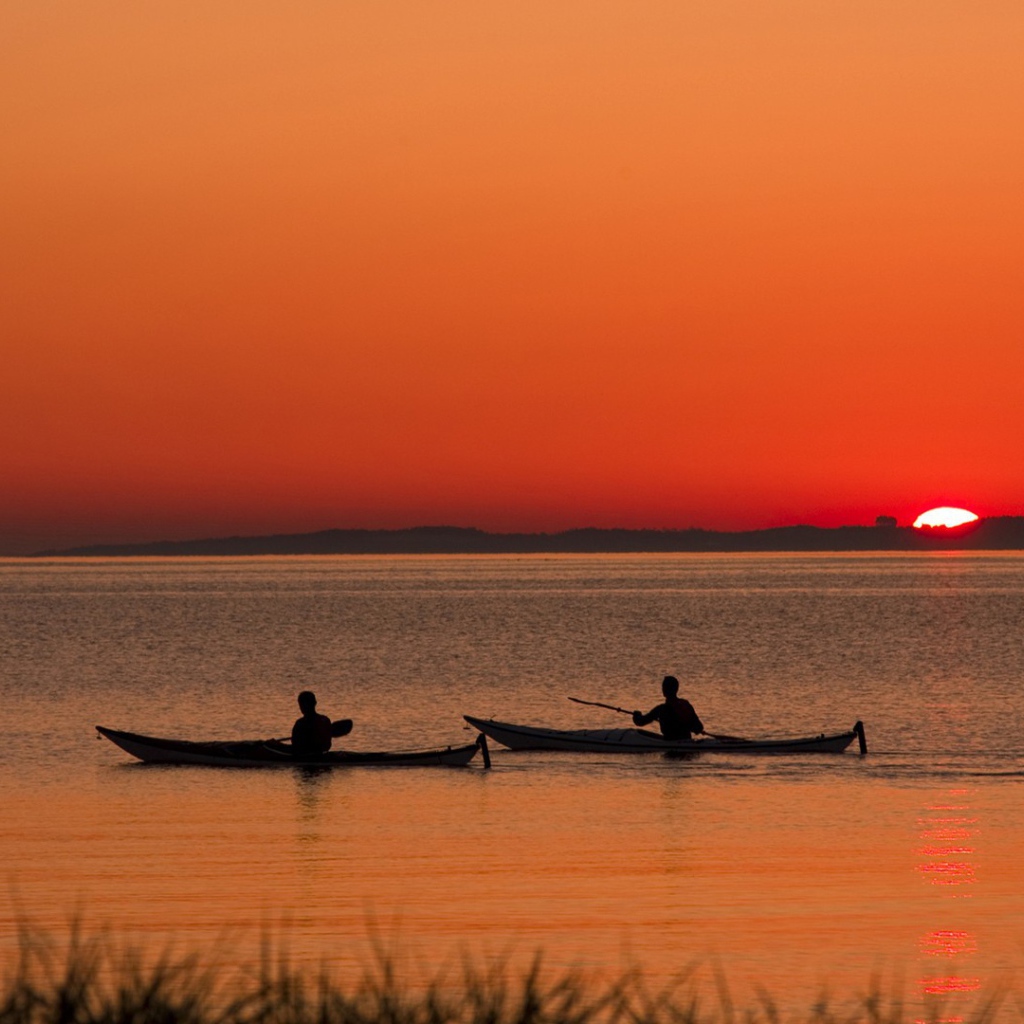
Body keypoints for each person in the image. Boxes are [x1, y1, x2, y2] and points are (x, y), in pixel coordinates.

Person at [632, 675, 704, 740]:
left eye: (663, 687)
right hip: (686, 740)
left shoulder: (661, 709)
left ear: (664, 690)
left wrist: (636, 715)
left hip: (670, 742)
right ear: (676, 689)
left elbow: (640, 722)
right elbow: (699, 727)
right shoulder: (685, 704)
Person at [290, 690, 336, 756]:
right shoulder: (325, 720)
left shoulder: (300, 723)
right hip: (321, 753)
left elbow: (295, 746)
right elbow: (327, 745)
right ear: (315, 703)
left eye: (302, 704)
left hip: (305, 754)